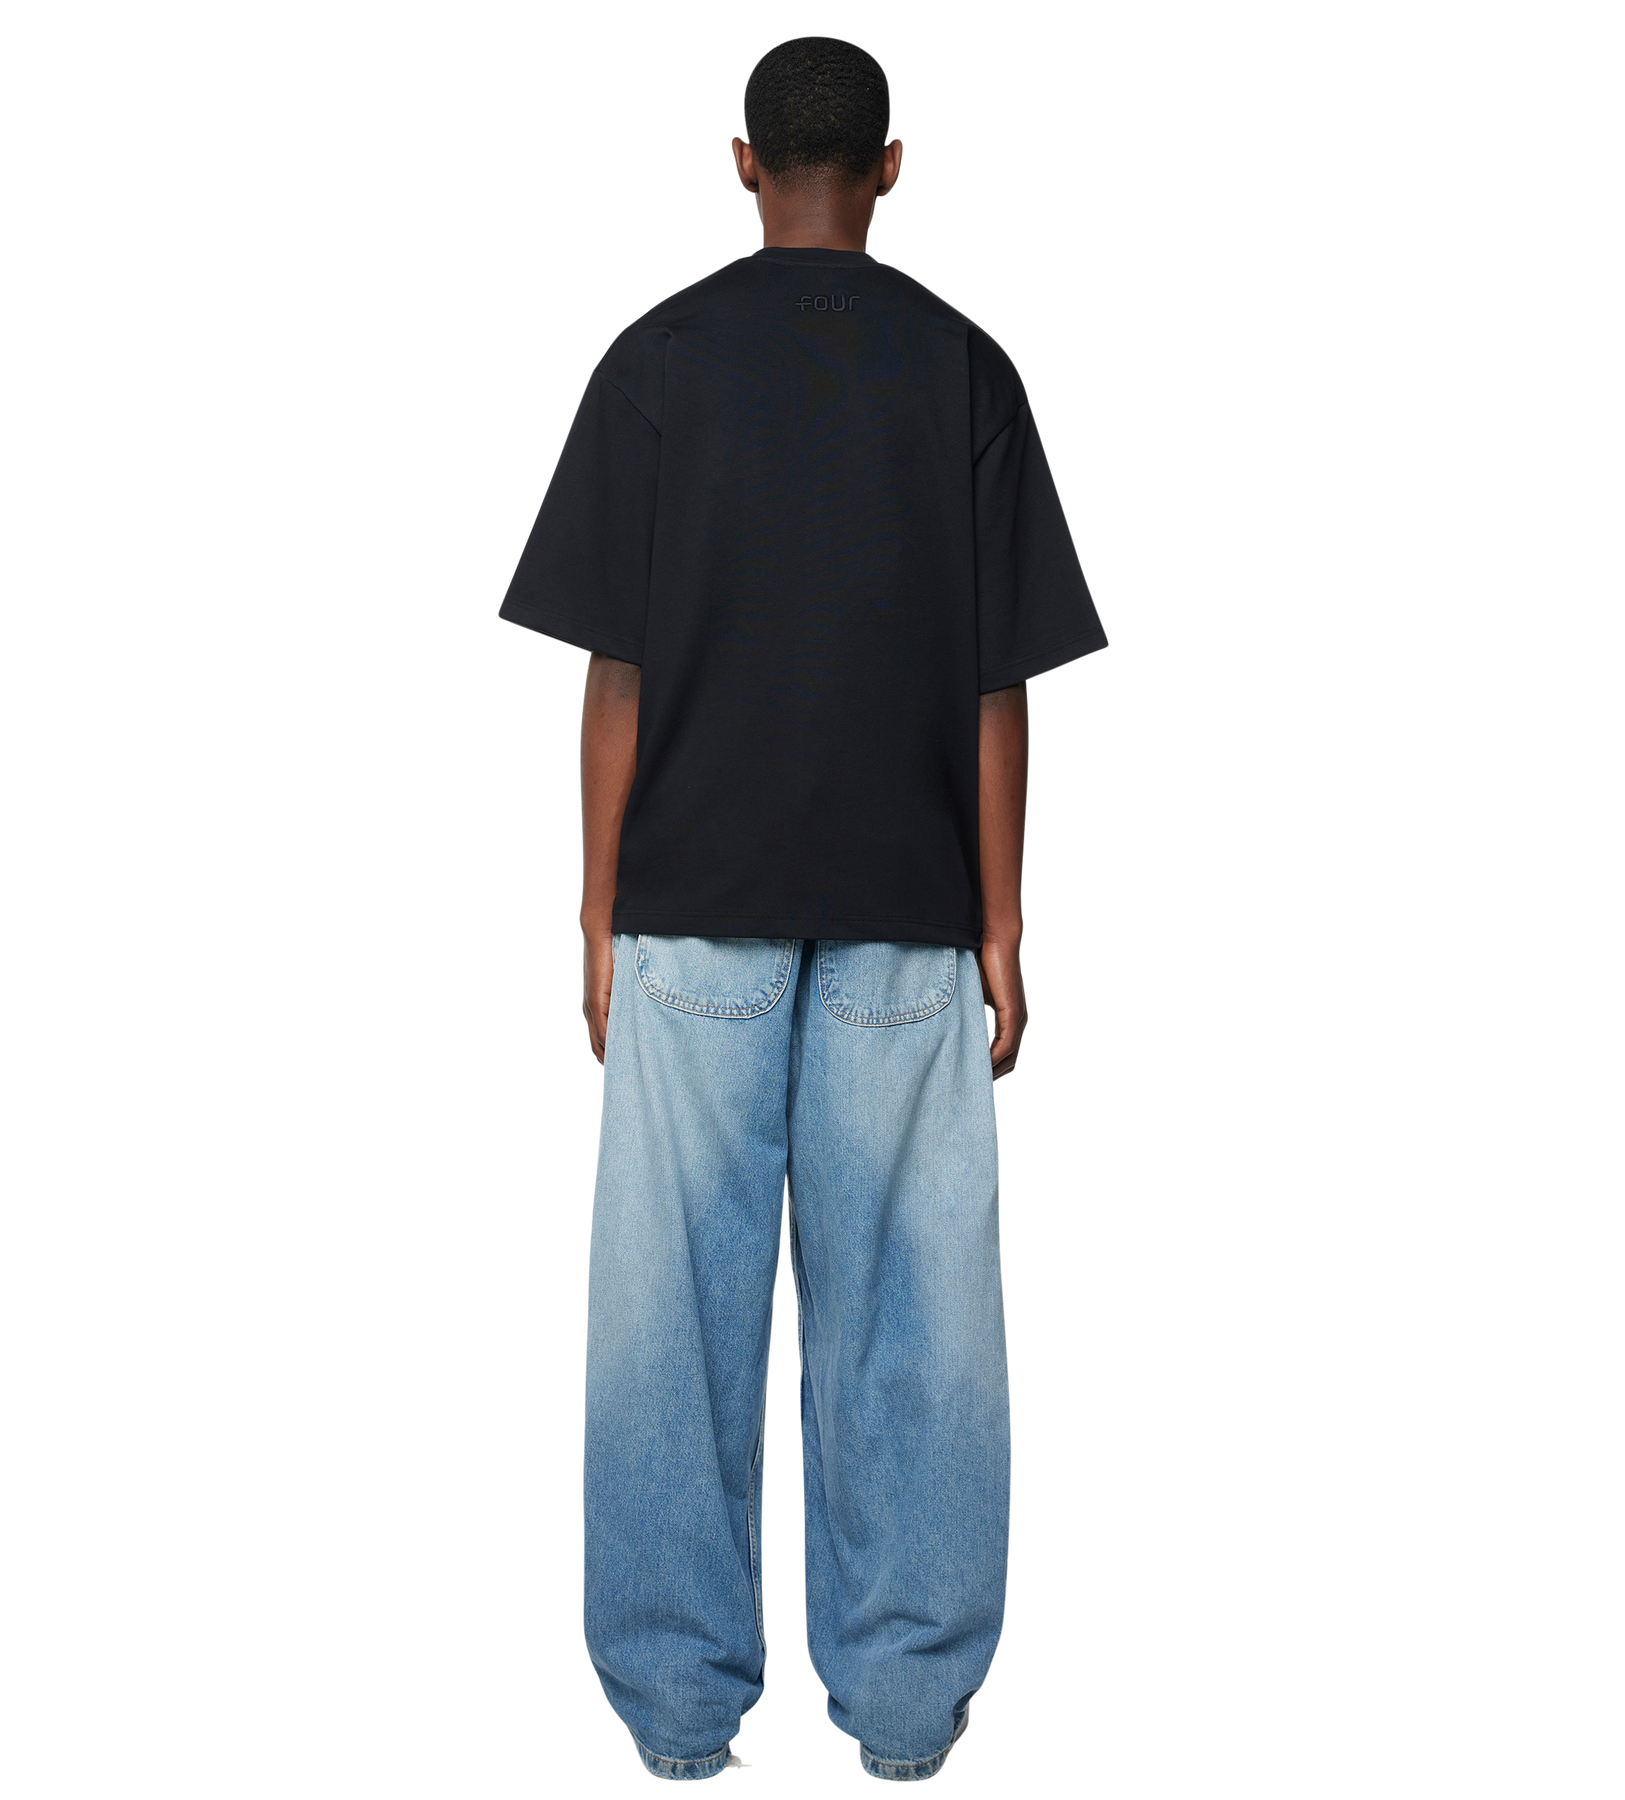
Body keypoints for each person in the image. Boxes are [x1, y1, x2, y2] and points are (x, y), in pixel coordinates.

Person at [496, 33, 1108, 1786]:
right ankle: (910, 1715)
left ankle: (677, 1718)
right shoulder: (969, 367)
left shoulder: (655, 359)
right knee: (918, 1320)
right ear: (893, 169)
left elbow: (611, 676)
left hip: (690, 906)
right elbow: (1002, 690)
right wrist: (1004, 923)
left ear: (742, 164)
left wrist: (596, 913)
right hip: (912, 911)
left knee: (669, 1322)